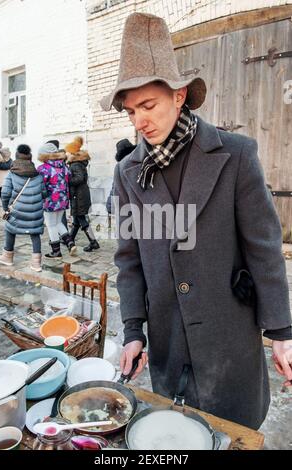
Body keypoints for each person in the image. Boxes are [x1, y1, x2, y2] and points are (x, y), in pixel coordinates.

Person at [100, 12, 292, 430]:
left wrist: (281, 330)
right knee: (177, 434)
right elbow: (129, 259)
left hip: (229, 341)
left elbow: (264, 247)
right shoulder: (129, 171)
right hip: (169, 342)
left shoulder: (236, 155)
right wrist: (133, 329)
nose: (140, 121)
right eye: (131, 112)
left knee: (234, 433)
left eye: (148, 105)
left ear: (179, 95)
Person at [0, 145, 45, 272]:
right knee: (35, 233)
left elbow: (5, 193)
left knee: (10, 229)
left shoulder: (12, 174)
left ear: (16, 158)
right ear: (30, 158)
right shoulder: (38, 175)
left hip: (16, 211)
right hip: (35, 212)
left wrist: (6, 208)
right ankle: (36, 264)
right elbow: (44, 193)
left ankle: (7, 257)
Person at [37, 142, 75, 258]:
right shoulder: (64, 166)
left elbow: (40, 185)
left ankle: (56, 251)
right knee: (58, 222)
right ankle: (70, 242)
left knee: (51, 224)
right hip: (63, 199)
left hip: (50, 200)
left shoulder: (43, 168)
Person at [65, 136, 100, 252]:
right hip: (80, 195)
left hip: (78, 196)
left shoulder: (75, 165)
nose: (67, 154)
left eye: (68, 152)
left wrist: (67, 181)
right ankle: (70, 240)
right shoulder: (78, 164)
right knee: (76, 220)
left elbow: (79, 179)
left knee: (81, 219)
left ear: (73, 154)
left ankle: (93, 242)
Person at [106, 139, 136, 215]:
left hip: (127, 209)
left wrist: (110, 206)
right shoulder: (140, 163)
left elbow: (115, 188)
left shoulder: (120, 168)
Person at [0, 141, 12, 236]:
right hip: (4, 185)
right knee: (7, 206)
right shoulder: (4, 158)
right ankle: (11, 223)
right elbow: (8, 165)